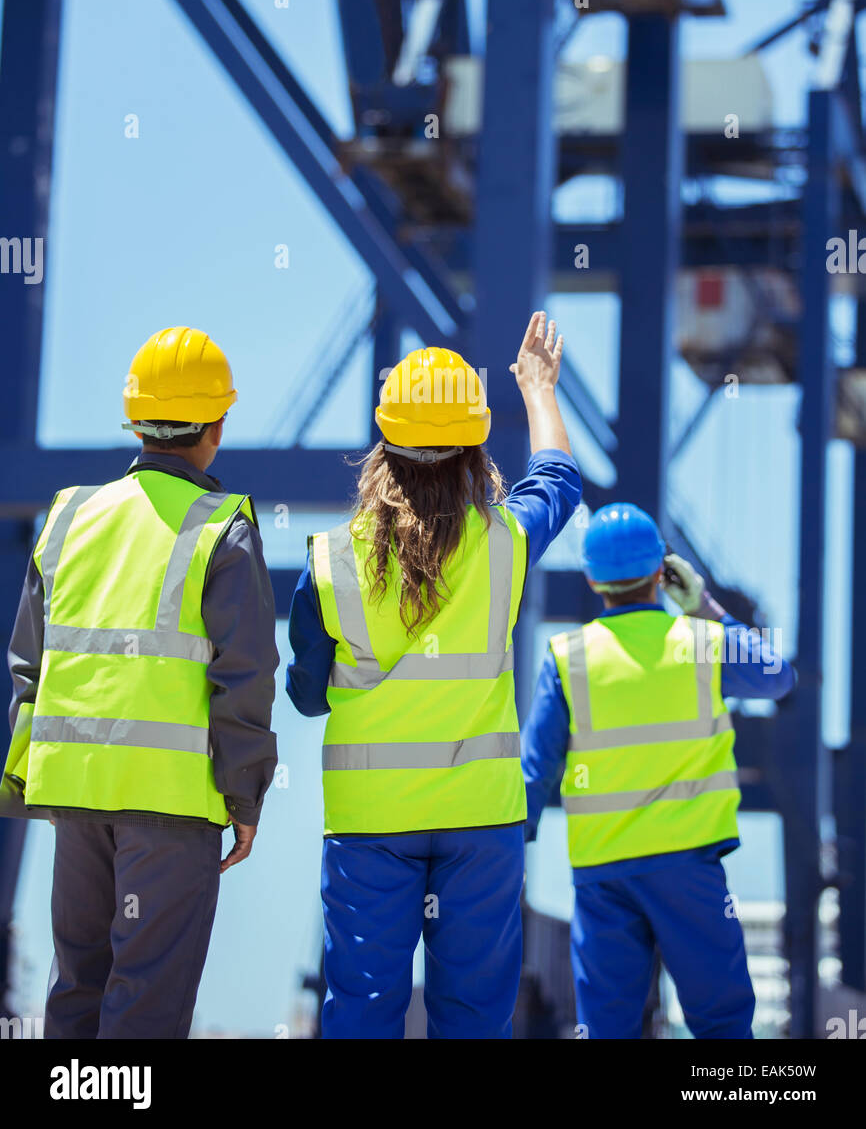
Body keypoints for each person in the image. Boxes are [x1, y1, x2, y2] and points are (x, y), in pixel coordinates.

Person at [287, 311, 582, 1039]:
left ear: (384, 447)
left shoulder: (330, 561)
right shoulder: (505, 544)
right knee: (474, 1018)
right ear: (475, 451)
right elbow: (559, 482)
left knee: (360, 1011)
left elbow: (302, 695)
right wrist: (539, 389)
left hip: (368, 823)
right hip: (481, 820)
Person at [1, 326, 279, 1040]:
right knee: (146, 1003)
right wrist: (245, 795)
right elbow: (244, 678)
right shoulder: (223, 528)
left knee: (77, 992)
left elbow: (28, 668)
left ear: (135, 421)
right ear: (216, 426)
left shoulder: (67, 517)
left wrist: (31, 777)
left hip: (76, 796)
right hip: (170, 803)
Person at [521, 502, 796, 1040]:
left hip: (604, 874)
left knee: (606, 1027)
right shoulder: (702, 644)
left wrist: (510, 847)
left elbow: (535, 769)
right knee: (720, 1023)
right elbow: (778, 678)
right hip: (688, 866)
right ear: (660, 572)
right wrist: (708, 607)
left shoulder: (568, 658)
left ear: (593, 578)